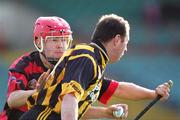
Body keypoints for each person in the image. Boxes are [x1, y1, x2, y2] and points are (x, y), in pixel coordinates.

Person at [19, 14, 171, 120]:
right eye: (126, 43)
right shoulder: (86, 57)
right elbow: (69, 98)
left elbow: (119, 88)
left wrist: (153, 94)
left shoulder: (94, 62)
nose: (125, 49)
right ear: (117, 40)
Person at [0, 16, 128, 120]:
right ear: (39, 41)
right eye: (55, 40)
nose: (61, 46)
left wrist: (106, 112)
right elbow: (12, 100)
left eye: (64, 40)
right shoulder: (24, 64)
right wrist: (39, 92)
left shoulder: (72, 66)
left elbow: (71, 109)